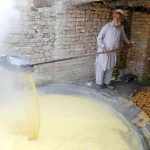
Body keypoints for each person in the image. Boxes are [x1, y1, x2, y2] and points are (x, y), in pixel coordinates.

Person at [96, 9, 133, 90]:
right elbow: (99, 38)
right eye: (116, 18)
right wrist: (102, 47)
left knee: (110, 67)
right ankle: (99, 83)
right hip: (104, 51)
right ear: (114, 17)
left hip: (113, 52)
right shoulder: (107, 26)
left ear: (121, 19)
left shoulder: (121, 27)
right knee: (101, 67)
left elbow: (124, 36)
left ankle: (107, 83)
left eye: (119, 18)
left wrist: (128, 42)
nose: (117, 20)